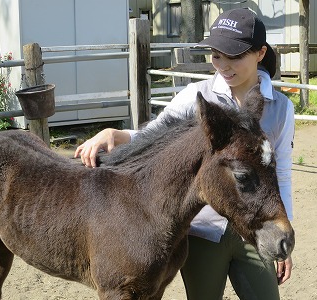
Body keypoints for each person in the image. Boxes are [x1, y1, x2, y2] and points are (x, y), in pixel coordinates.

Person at [75, 8, 294, 300]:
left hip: (255, 227)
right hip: (203, 229)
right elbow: (156, 135)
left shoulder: (280, 107)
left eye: (235, 57)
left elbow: (281, 174)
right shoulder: (197, 96)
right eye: (217, 55)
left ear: (260, 53)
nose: (224, 66)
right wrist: (117, 135)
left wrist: (284, 235)